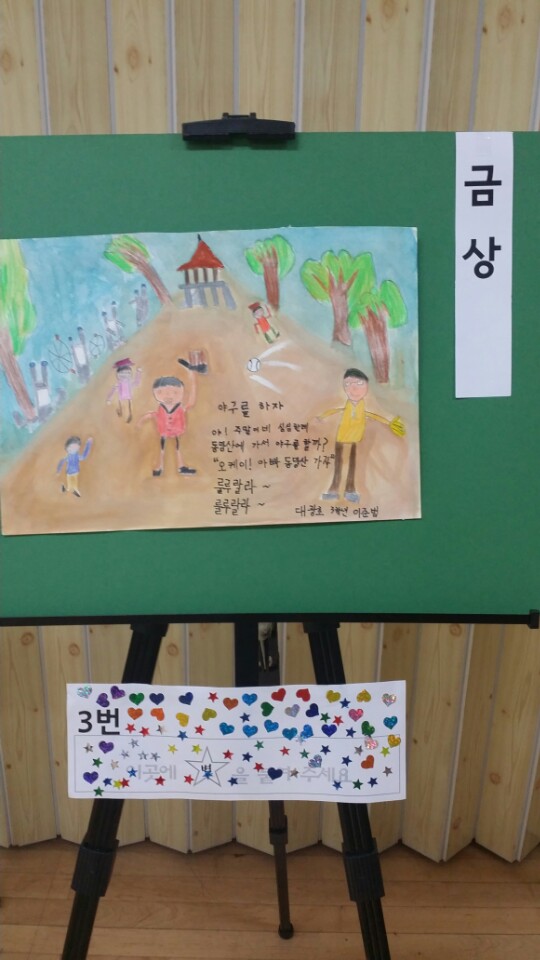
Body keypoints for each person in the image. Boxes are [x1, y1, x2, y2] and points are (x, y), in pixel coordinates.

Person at [316, 368, 405, 503]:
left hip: (356, 439)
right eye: (347, 384)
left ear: (367, 387)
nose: (353, 389)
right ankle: (333, 490)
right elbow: (336, 410)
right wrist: (322, 417)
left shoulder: (363, 408)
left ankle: (350, 491)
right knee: (338, 464)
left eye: (359, 384)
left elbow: (373, 415)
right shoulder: (347, 406)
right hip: (341, 437)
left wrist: (389, 423)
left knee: (352, 465)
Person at [138, 371, 197, 477]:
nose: (169, 396)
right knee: (161, 449)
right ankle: (159, 467)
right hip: (164, 432)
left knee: (178, 448)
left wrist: (193, 382)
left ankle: (181, 467)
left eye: (175, 392)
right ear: (155, 393)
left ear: (182, 393)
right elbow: (153, 415)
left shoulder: (180, 408)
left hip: (177, 432)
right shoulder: (160, 408)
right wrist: (142, 420)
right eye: (161, 392)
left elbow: (191, 402)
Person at [106, 358, 141, 423]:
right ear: (117, 374)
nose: (125, 375)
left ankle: (128, 416)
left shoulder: (128, 383)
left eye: (127, 373)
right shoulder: (119, 384)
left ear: (130, 373)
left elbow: (136, 383)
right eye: (122, 373)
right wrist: (109, 399)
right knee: (122, 412)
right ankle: (121, 414)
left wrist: (138, 373)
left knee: (129, 409)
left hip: (128, 399)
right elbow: (113, 390)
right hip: (122, 400)